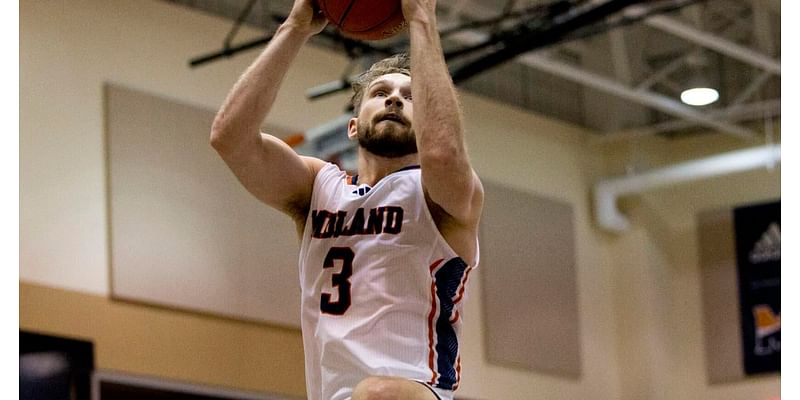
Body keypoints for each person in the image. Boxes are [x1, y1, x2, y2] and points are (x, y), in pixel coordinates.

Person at [210, 0, 483, 399]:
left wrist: (422, 18)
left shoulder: (441, 194)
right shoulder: (318, 187)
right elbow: (229, 138)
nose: (394, 100)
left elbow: (441, 152)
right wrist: (296, 27)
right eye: (381, 92)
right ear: (352, 127)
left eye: (410, 96)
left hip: (416, 391)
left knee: (377, 393)